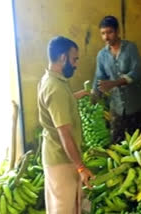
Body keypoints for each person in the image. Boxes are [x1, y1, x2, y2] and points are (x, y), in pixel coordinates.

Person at [37, 36, 94, 214]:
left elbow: (59, 103)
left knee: (71, 206)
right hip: (61, 159)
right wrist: (81, 167)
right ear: (63, 58)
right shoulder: (56, 88)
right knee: (63, 209)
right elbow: (64, 133)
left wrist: (79, 94)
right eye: (74, 59)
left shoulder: (50, 80)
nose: (76, 64)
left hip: (59, 155)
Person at [92, 15, 141, 143]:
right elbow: (99, 76)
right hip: (116, 107)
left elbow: (137, 71)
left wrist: (114, 83)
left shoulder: (130, 48)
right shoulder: (102, 55)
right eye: (103, 33)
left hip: (135, 105)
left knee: (140, 142)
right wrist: (94, 93)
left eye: (109, 32)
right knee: (117, 142)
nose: (106, 37)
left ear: (117, 31)